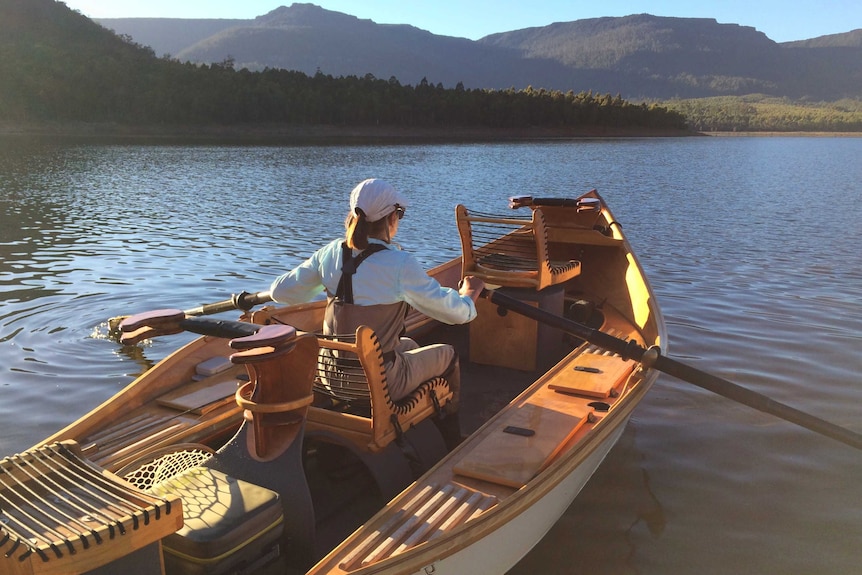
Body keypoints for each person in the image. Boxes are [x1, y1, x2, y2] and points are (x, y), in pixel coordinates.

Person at [269, 178, 484, 449]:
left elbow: (280, 292)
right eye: (400, 215)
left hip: (330, 377)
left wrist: (325, 280)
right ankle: (452, 440)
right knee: (449, 356)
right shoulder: (400, 264)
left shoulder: (329, 253)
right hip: (375, 382)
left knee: (409, 345)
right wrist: (469, 294)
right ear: (392, 217)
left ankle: (417, 421)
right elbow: (457, 315)